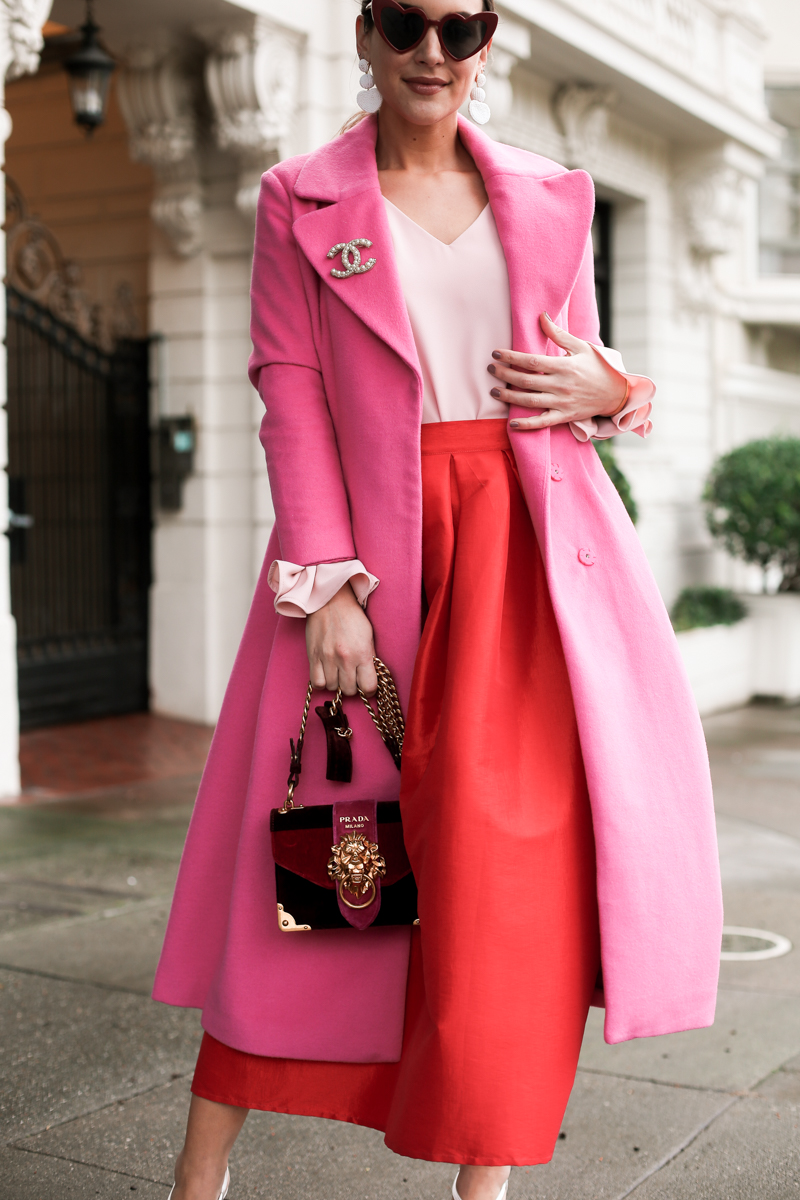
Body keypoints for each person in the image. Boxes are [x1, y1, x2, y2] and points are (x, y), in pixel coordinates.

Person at [154, 2, 723, 1198]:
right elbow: (289, 396)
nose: (431, 50)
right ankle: (194, 1185)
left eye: (458, 27)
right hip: (367, 569)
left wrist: (612, 384)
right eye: (405, 22)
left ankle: (483, 1189)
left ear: (486, 40)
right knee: (325, 881)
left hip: (529, 575)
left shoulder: (552, 195)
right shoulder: (298, 198)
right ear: (363, 35)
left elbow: (592, 376)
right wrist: (325, 592)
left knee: (504, 893)